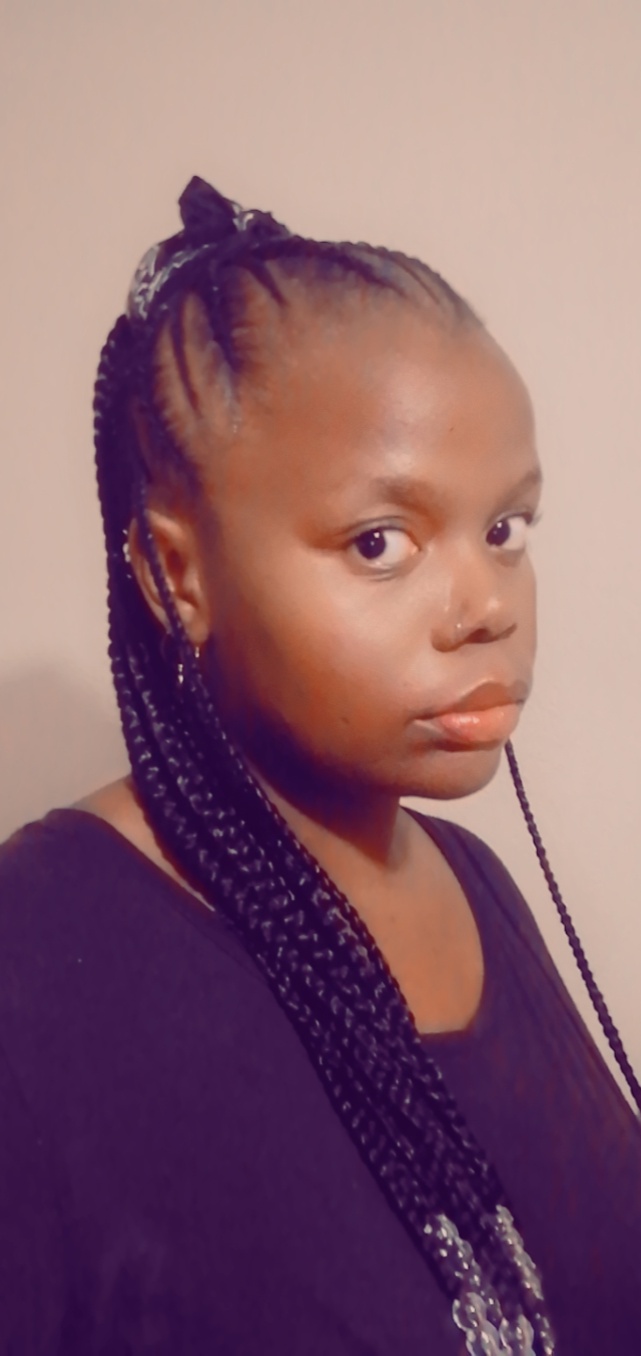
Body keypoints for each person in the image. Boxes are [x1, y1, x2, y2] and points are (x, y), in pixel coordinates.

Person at [0, 177, 639, 1356]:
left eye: (504, 528)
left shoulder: (477, 885)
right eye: (380, 541)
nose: (485, 605)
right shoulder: (33, 958)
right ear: (175, 575)